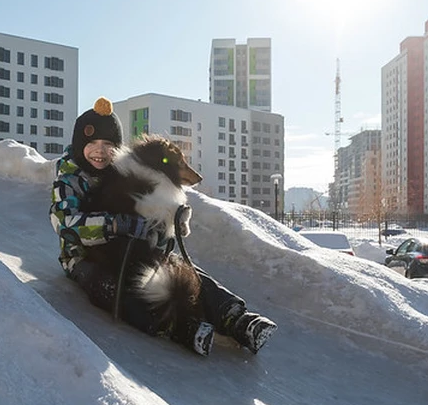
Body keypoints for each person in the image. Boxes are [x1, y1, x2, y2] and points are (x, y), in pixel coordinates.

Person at [49, 97, 277, 356]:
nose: (100, 151)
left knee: (182, 269)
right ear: (80, 145)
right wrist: (115, 224)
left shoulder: (121, 174)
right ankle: (179, 327)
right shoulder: (68, 180)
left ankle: (234, 316)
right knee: (111, 287)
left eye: (108, 144)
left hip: (131, 250)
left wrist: (165, 225)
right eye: (92, 144)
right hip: (84, 257)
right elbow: (66, 224)